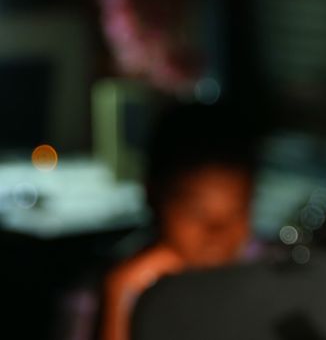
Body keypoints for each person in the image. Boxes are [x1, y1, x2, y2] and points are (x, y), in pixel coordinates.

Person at [99, 104, 259, 340]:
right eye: (197, 213)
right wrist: (119, 301)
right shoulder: (119, 291)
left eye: (235, 213)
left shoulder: (266, 275)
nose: (217, 234)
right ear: (154, 198)